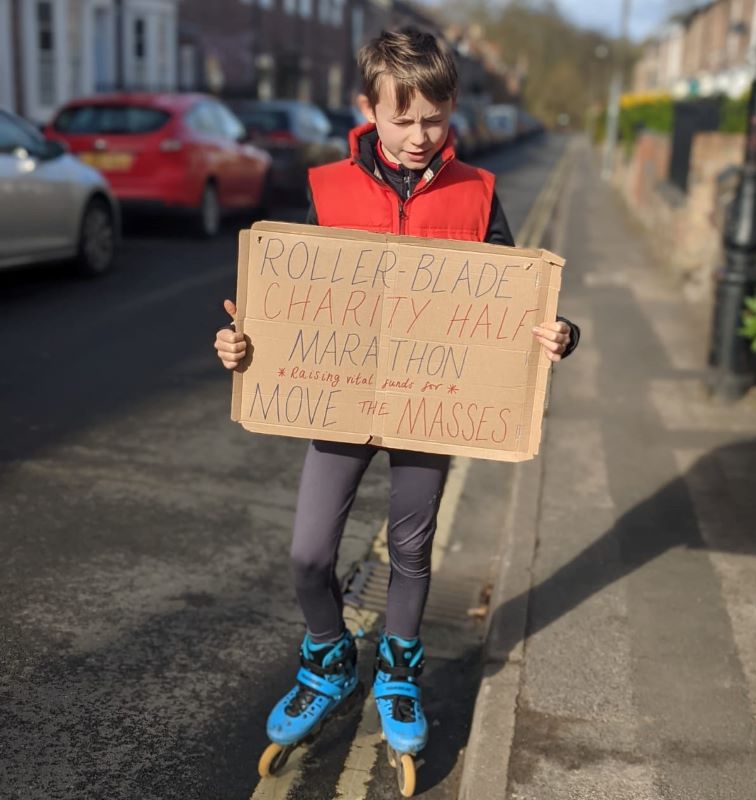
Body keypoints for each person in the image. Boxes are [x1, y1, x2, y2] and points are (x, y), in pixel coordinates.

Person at [214, 27, 580, 793]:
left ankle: (400, 670)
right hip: (340, 402)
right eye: (403, 119)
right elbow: (289, 301)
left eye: (435, 120)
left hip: (431, 407)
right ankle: (329, 660)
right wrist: (246, 344)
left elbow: (516, 295)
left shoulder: (477, 192)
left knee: (412, 552)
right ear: (367, 110)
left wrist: (558, 333)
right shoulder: (325, 188)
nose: (419, 137)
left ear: (452, 113)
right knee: (309, 553)